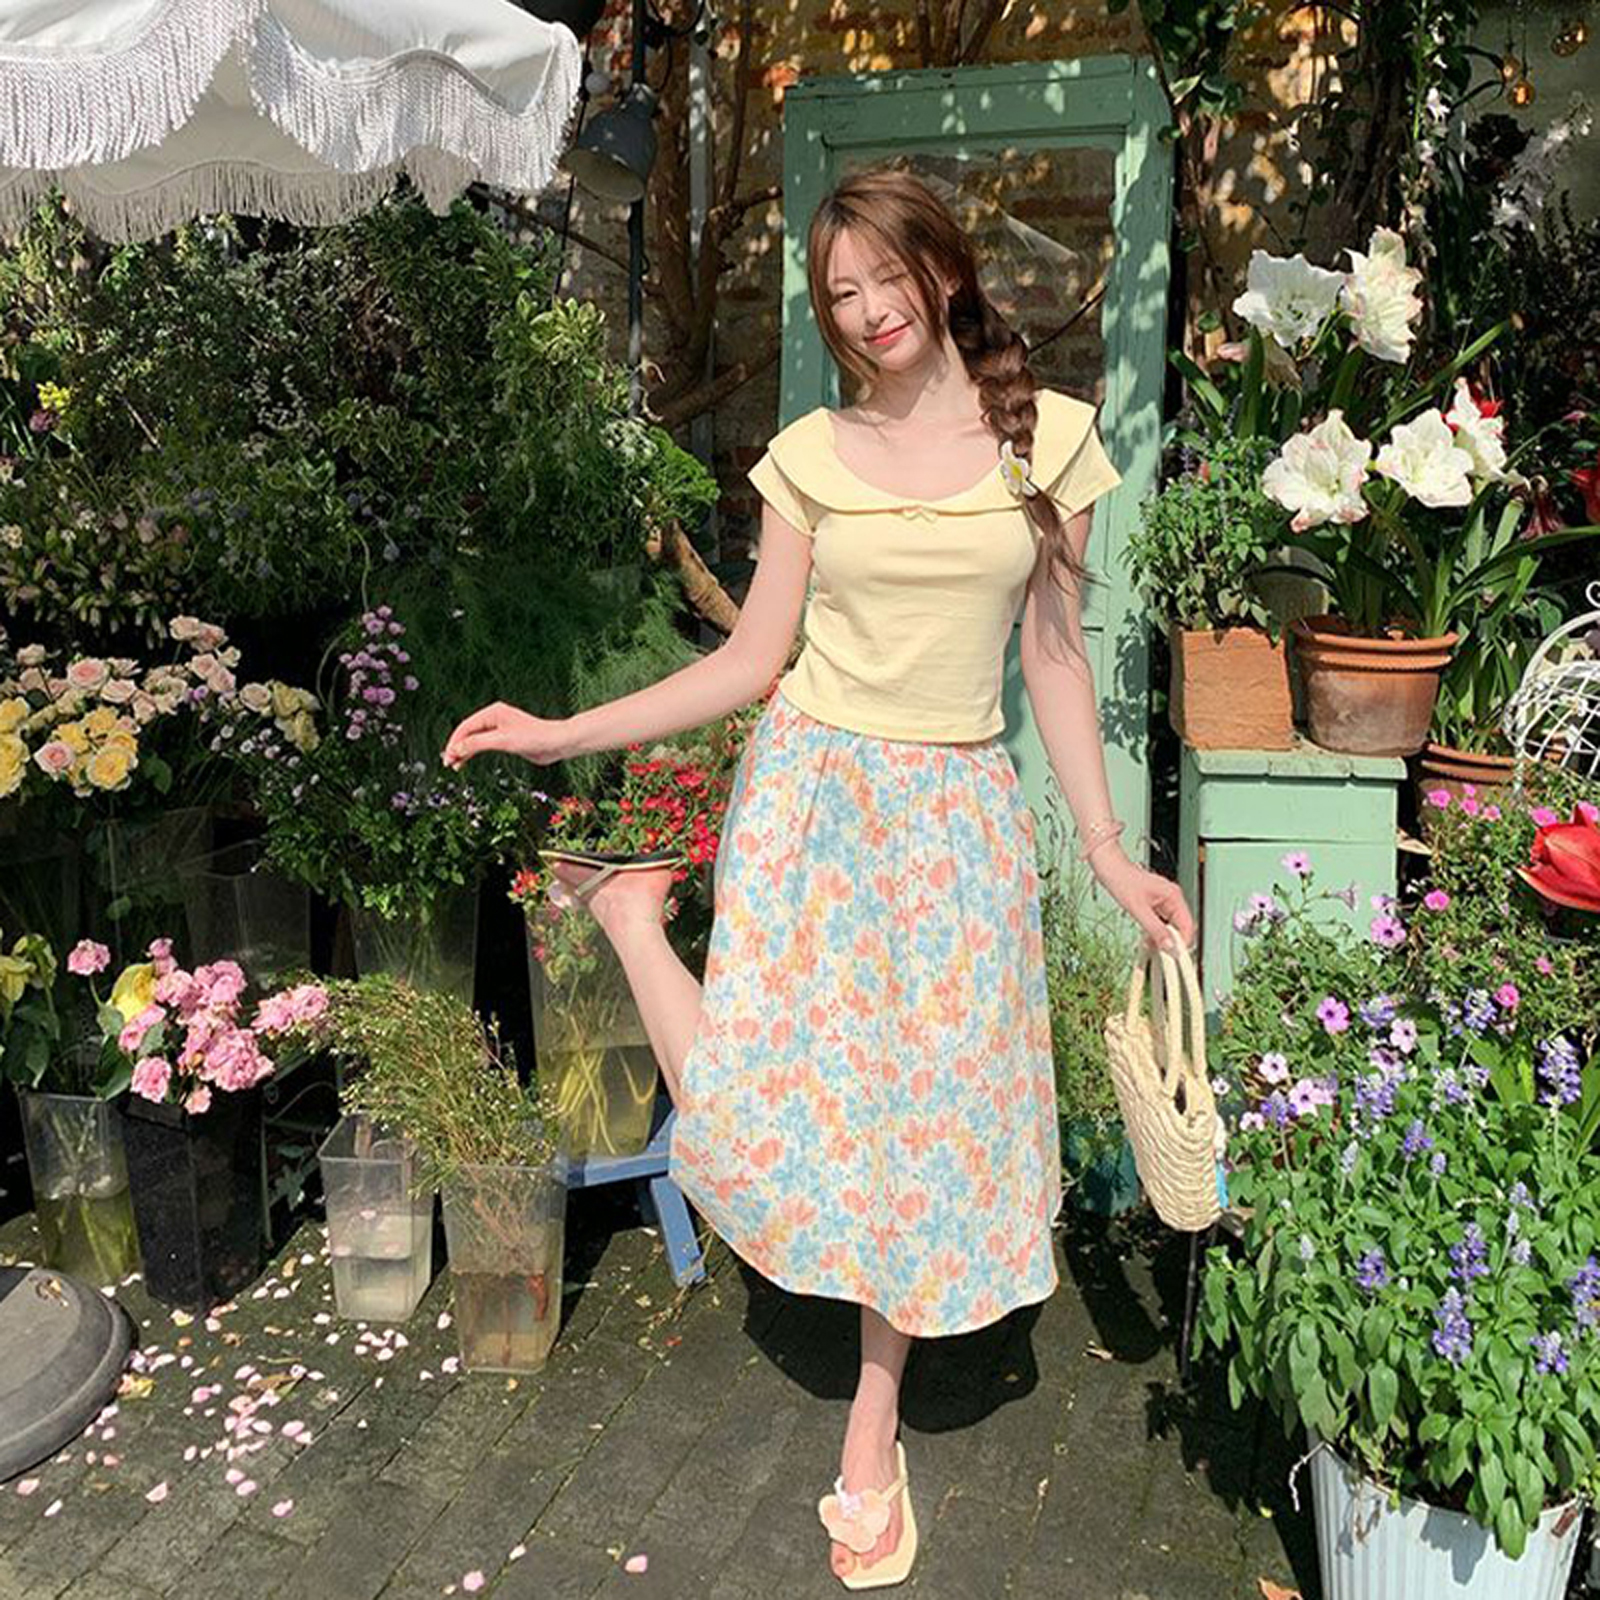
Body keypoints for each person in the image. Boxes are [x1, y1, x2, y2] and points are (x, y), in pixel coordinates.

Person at [443, 164, 1196, 1591]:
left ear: (943, 271)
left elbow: (1053, 660)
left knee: (924, 1111)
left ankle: (871, 1415)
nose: (864, 312)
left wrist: (1111, 854)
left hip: (956, 819)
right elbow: (750, 659)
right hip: (816, 803)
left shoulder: (1050, 445)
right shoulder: (809, 455)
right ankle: (637, 921)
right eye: (838, 294)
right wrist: (562, 730)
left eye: (884, 280)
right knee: (763, 1091)